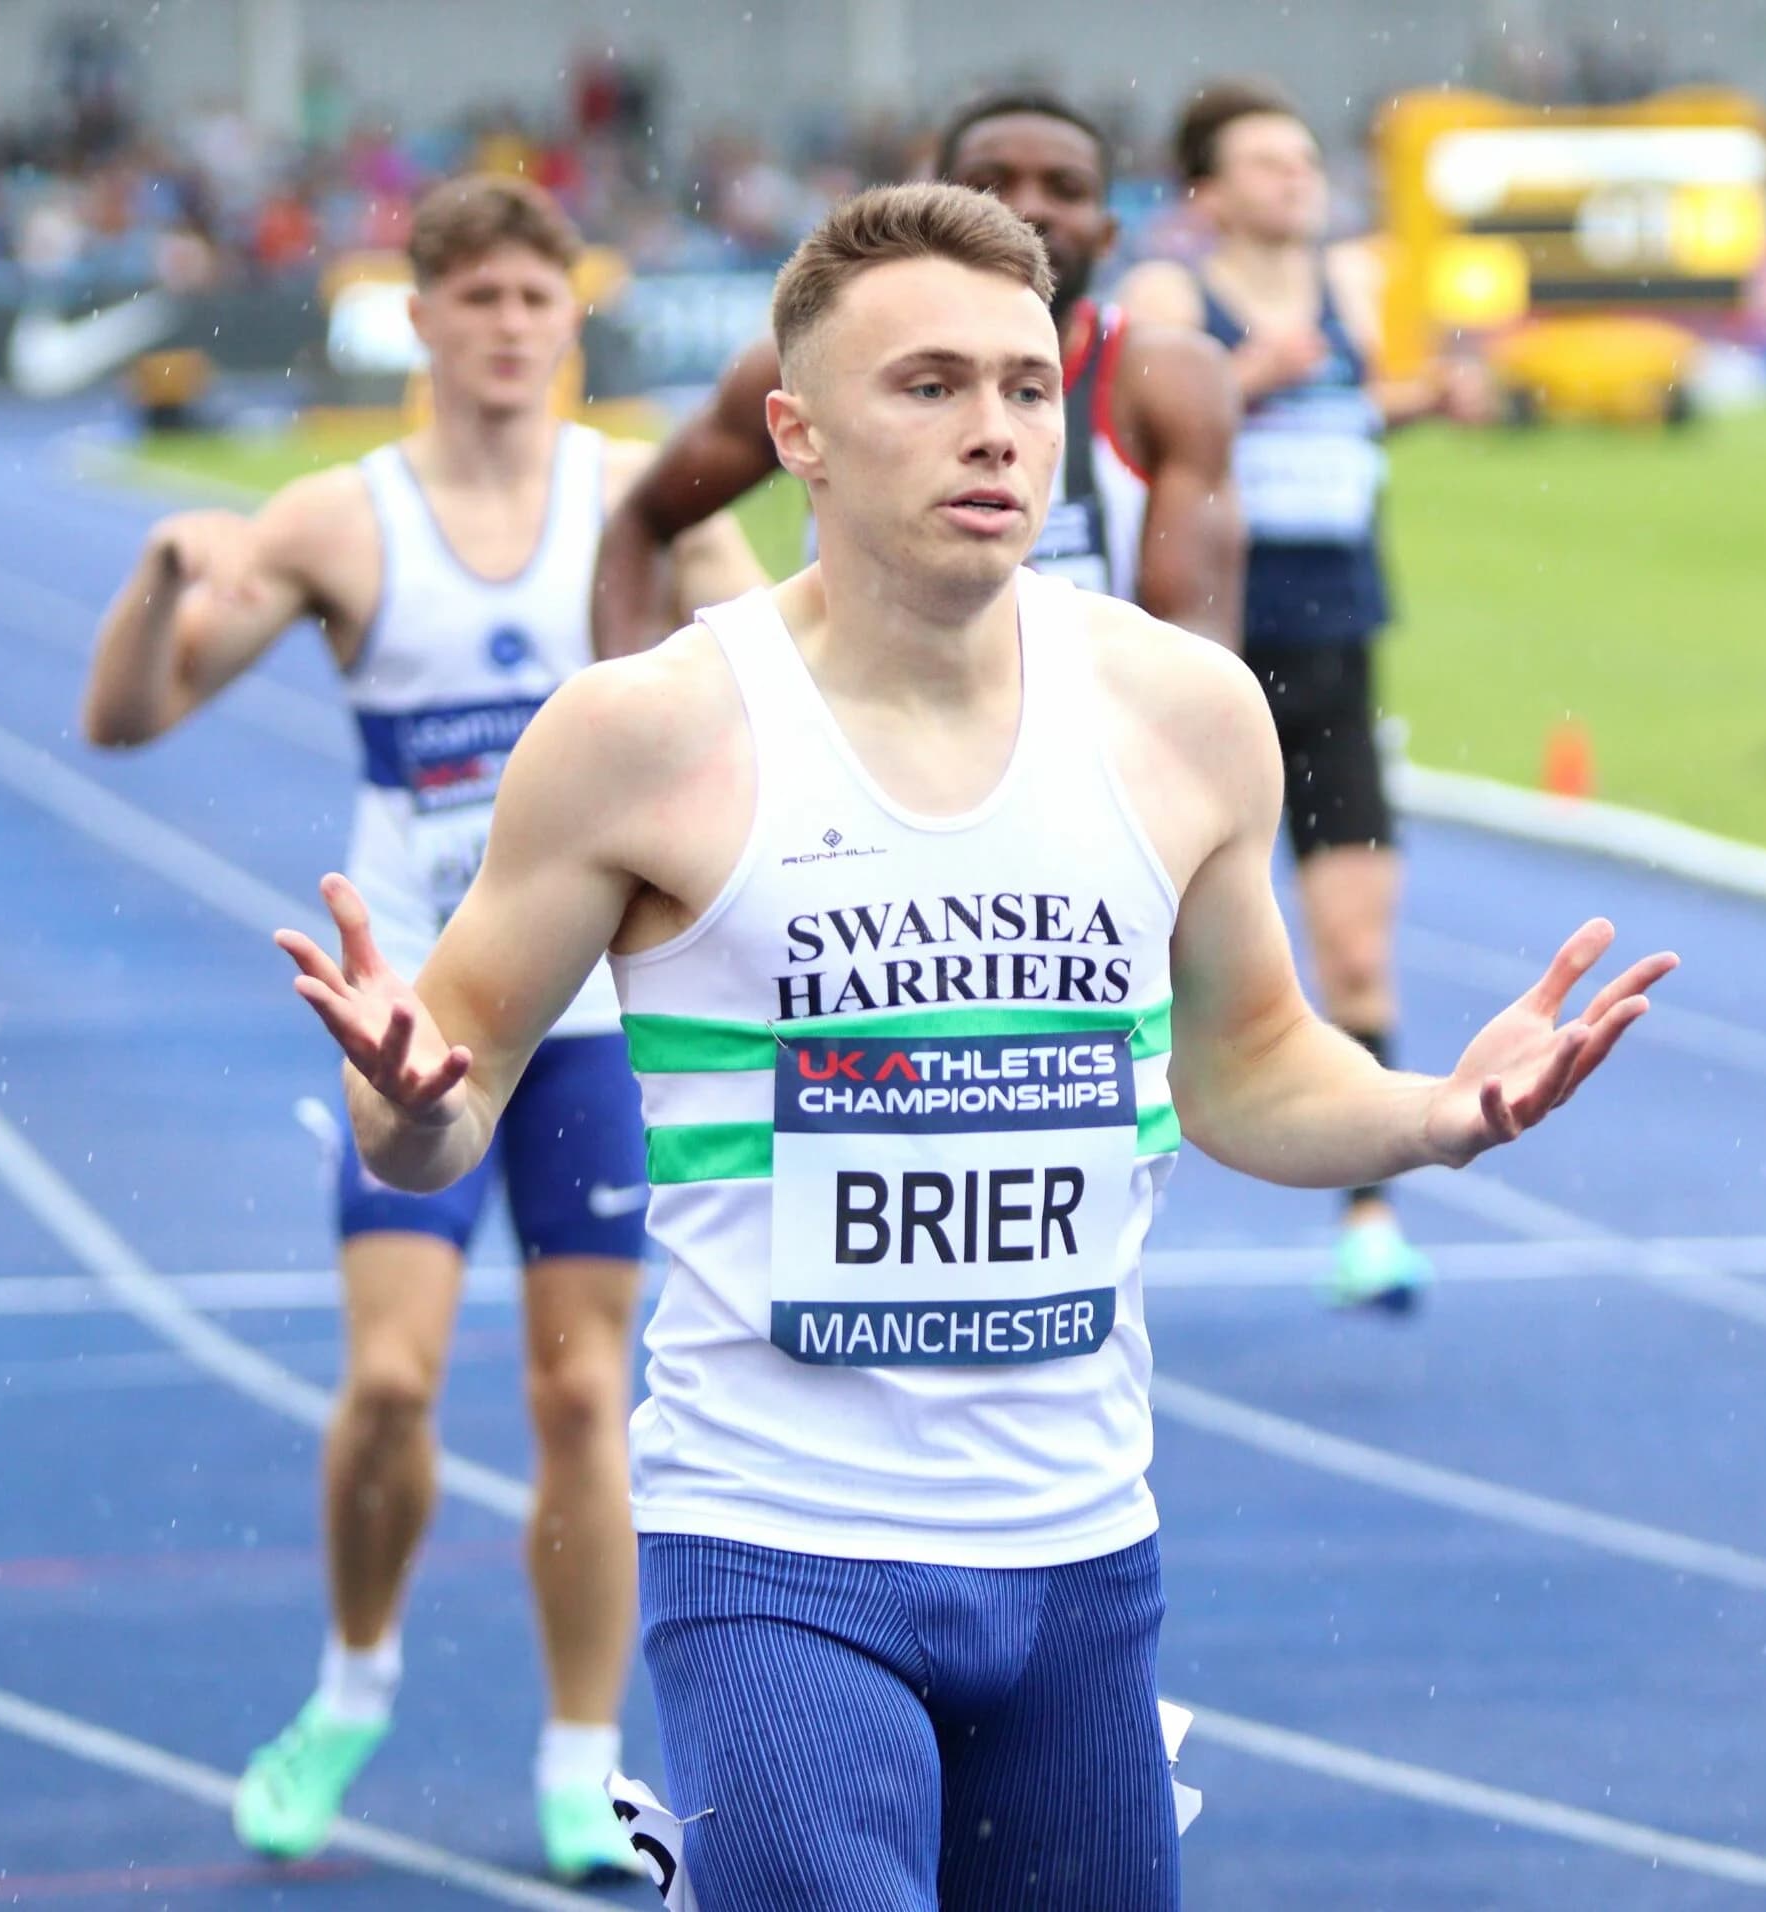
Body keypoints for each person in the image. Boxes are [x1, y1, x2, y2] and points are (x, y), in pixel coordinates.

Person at [277, 181, 1674, 1912]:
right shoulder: (646, 734)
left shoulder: (1184, 714)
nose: (996, 430)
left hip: (1083, 1557)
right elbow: (450, 1087)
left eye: (1026, 385)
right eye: (928, 386)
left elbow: (1248, 1071)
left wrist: (1440, 1114)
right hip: (780, 1551)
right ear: (798, 432)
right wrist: (410, 1103)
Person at [81, 174, 764, 1881]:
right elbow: (129, 716)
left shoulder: (640, 499)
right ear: (426, 317)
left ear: (573, 319)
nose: (513, 328)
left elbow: (791, 679)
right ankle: (349, 1690)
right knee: (390, 1382)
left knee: (584, 1397)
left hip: (596, 1009)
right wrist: (163, 580)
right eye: (480, 300)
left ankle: (580, 1764)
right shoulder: (339, 519)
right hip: (428, 1009)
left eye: (542, 298)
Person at [1117, 80, 1495, 1314]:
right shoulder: (1177, 295)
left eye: (1303, 157)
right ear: (1208, 192)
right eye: (1266, 162)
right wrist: (1248, 372)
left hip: (1337, 649)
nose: (1297, 177)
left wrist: (1424, 401)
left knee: (1351, 947)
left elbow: (1350, 407)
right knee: (1145, 950)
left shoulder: (1361, 284)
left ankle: (1370, 1222)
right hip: (1204, 659)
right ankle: (1100, 1184)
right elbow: (1142, 415)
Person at [591, 90, 1243, 654]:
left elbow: (1196, 632)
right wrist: (637, 705)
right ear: (937, 196)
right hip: (852, 753)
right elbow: (644, 524)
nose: (1028, 207)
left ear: (1107, 233)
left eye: (1064, 188)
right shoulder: (809, 360)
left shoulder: (1170, 376)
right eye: (993, 180)